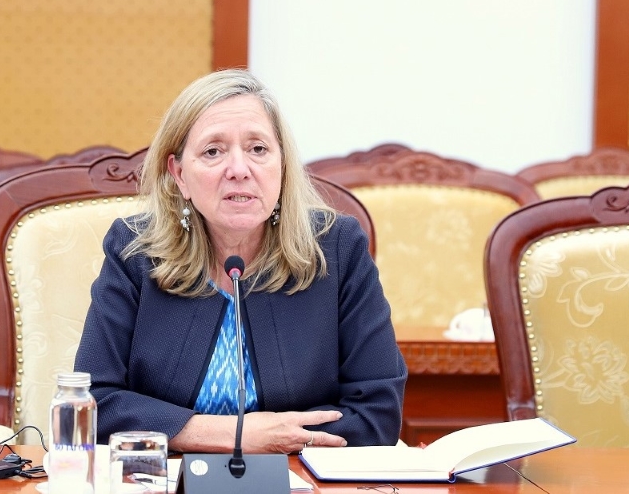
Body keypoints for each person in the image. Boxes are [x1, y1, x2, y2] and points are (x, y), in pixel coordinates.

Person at [74, 69, 407, 454]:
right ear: (179, 174)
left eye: (258, 149)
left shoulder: (337, 248)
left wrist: (284, 442)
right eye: (213, 151)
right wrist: (235, 436)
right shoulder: (135, 251)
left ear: (282, 165)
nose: (239, 170)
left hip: (297, 477)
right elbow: (92, 403)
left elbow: (378, 412)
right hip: (164, 476)